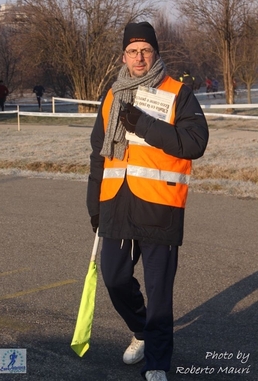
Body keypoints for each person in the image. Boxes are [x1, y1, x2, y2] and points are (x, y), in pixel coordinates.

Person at [87, 22, 209, 381]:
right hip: (115, 202)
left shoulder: (177, 92)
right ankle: (141, 331)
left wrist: (143, 124)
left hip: (159, 204)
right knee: (114, 278)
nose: (139, 58)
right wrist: (94, 204)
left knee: (159, 292)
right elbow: (99, 154)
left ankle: (157, 362)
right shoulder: (112, 95)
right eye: (132, 51)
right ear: (123, 55)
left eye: (146, 51)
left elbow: (194, 143)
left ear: (155, 54)